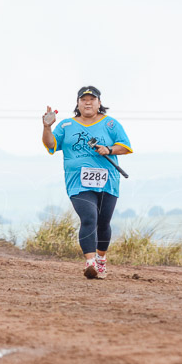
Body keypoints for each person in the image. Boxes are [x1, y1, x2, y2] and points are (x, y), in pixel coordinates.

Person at [42, 86, 132, 279]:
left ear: (99, 103)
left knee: (103, 222)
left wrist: (109, 149)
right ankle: (90, 263)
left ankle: (101, 260)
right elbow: (51, 145)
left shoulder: (111, 124)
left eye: (92, 99)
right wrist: (47, 127)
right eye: (84, 99)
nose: (88, 102)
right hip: (78, 183)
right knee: (89, 217)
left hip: (108, 181)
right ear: (78, 103)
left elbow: (125, 147)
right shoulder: (66, 126)